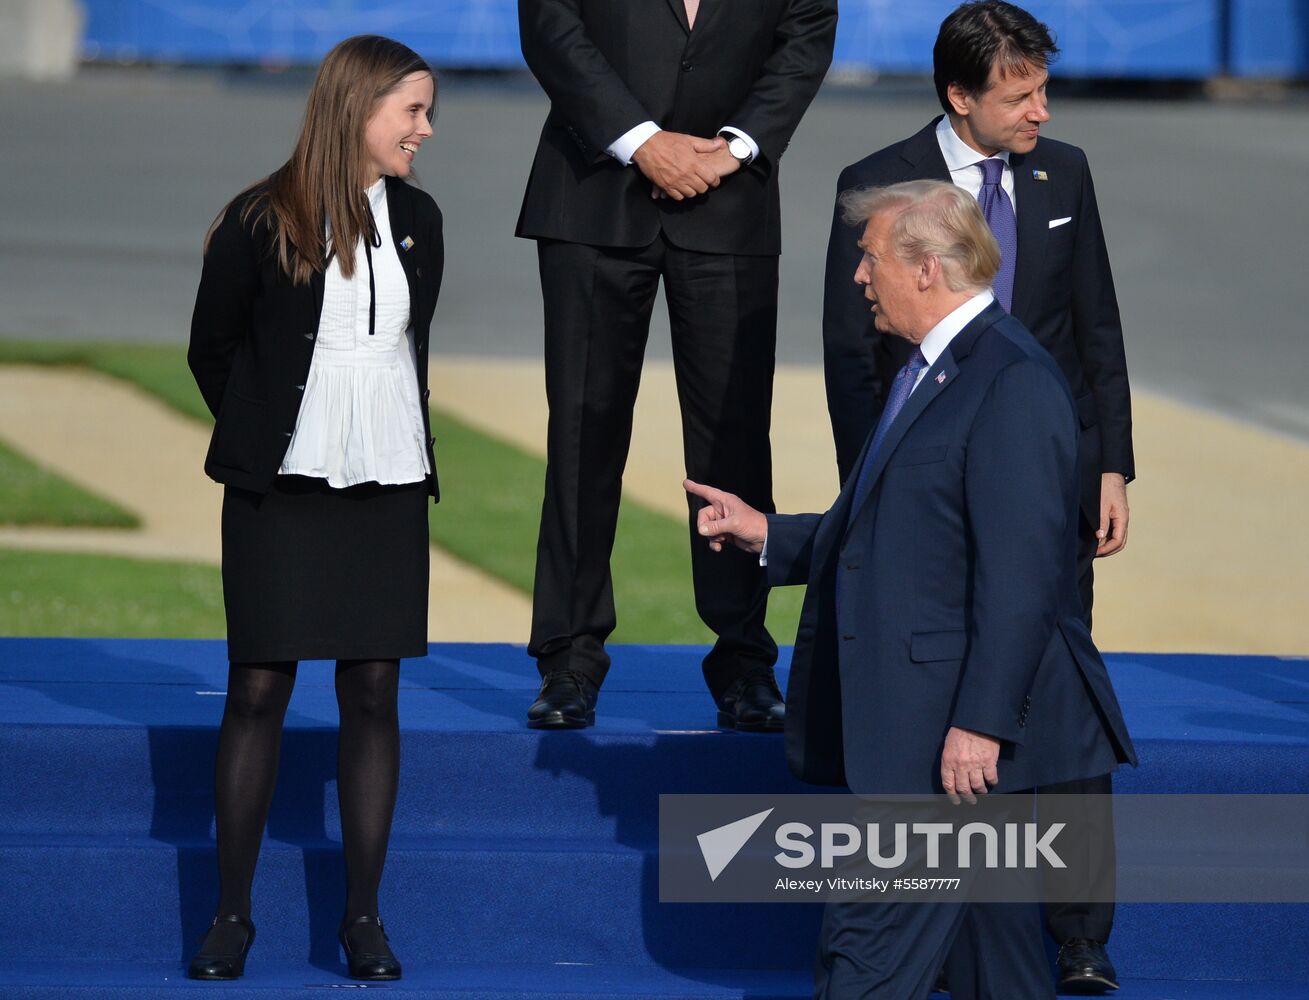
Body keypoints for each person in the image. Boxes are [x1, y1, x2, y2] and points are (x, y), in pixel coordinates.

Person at [685, 180, 1136, 999]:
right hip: (928, 729)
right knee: (994, 968)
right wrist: (769, 534)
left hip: (944, 743)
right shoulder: (927, 371)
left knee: (862, 961)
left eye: (870, 258)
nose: (859, 276)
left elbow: (1023, 578)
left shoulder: (1010, 381)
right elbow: (898, 525)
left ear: (926, 268)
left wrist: (979, 723)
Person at [820, 3, 1133, 988]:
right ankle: (958, 928)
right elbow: (852, 360)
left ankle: (1078, 932)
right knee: (942, 708)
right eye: (1019, 92)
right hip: (926, 499)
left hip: (1049, 484)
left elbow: (1096, 324)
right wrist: (878, 499)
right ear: (960, 96)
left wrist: (1112, 462)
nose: (1041, 107)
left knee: (1052, 692)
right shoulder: (878, 185)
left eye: (1043, 87)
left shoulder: (1066, 172)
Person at [185, 34, 444, 983]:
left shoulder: (421, 217)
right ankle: (230, 917)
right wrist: (269, 438)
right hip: (282, 489)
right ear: (356, 108)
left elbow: (406, 352)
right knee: (258, 689)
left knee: (373, 690)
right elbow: (212, 352)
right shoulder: (258, 219)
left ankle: (362, 919)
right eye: (410, 112)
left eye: (426, 114)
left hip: (387, 480)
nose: (423, 130)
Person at [514, 0, 837, 732]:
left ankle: (742, 659)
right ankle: (568, 656)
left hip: (731, 200)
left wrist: (733, 149)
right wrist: (640, 142)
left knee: (733, 436)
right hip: (593, 193)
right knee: (581, 433)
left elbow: (806, 32)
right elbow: (550, 26)